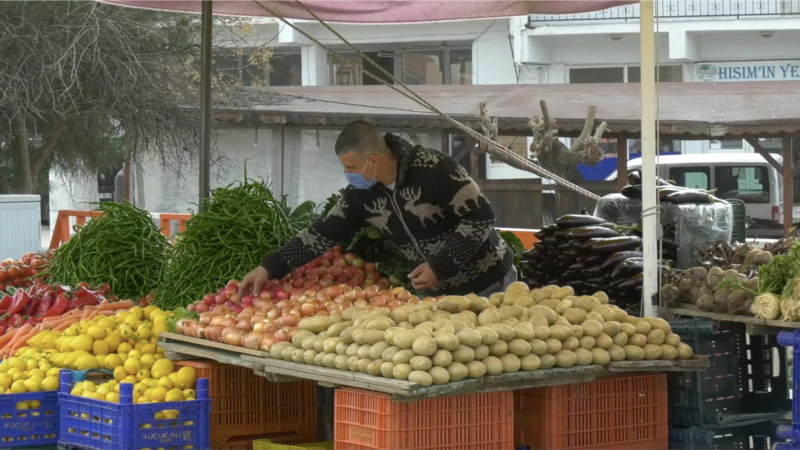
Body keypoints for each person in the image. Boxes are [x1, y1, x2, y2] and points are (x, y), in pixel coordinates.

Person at [239, 120, 515, 298]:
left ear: (372, 160)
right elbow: (320, 234)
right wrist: (269, 267)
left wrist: (439, 266)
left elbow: (481, 217)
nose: (348, 175)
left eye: (350, 168)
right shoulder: (362, 195)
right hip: (438, 295)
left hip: (489, 284)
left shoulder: (434, 168)